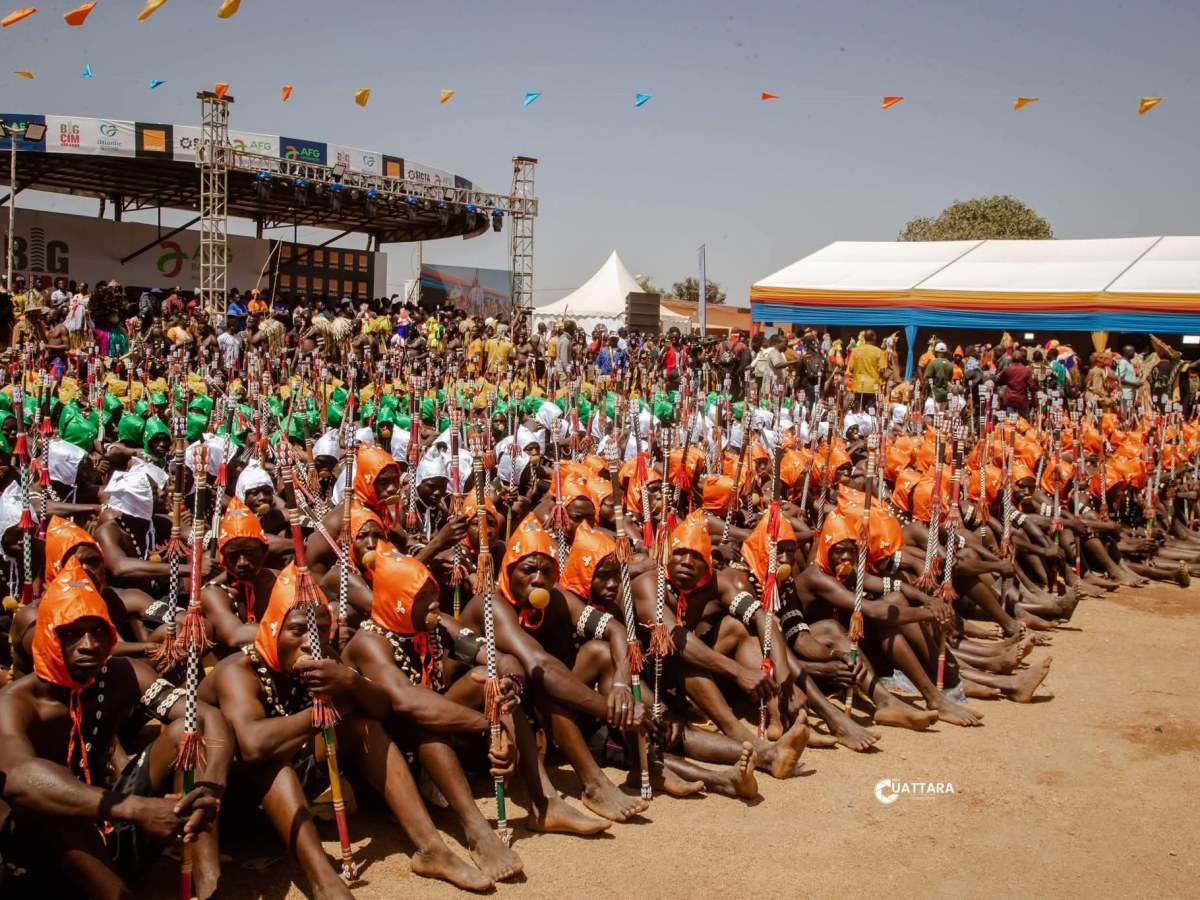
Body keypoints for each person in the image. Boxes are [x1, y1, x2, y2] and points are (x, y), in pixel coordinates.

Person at [0, 556, 233, 899]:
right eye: (72, 634)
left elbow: (205, 716)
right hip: (43, 861)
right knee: (48, 803)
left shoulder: (122, 673)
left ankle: (210, 884)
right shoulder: (15, 702)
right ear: (48, 638)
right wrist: (138, 809)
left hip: (110, 831)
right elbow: (18, 777)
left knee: (186, 732)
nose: (89, 645)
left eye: (98, 631)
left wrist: (211, 789)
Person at [847, 329, 890, 409]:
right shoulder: (879, 352)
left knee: (858, 412)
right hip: (873, 388)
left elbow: (851, 368)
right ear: (874, 338)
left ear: (864, 338)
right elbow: (882, 370)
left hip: (858, 386)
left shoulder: (855, 351)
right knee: (870, 412)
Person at [924, 341, 954, 407]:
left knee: (930, 412)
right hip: (945, 397)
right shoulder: (950, 365)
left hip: (934, 396)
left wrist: (922, 394)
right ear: (945, 353)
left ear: (935, 352)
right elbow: (949, 380)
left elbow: (927, 381)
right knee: (942, 413)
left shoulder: (933, 363)